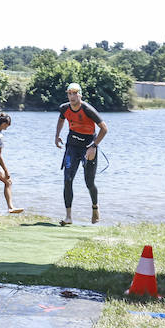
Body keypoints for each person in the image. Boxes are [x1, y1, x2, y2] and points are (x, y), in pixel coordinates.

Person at [54, 82, 107, 225]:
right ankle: (68, 217)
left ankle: (95, 207)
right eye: (69, 93)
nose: (72, 96)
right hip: (72, 146)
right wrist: (57, 135)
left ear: (80, 95)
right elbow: (61, 120)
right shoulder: (64, 108)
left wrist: (94, 146)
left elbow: (104, 129)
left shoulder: (88, 109)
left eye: (74, 93)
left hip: (88, 147)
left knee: (89, 182)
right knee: (67, 179)